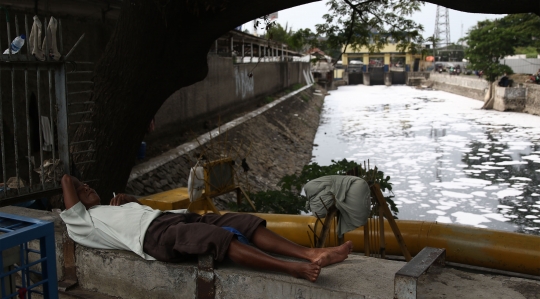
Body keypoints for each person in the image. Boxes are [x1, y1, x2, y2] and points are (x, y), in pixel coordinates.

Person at [59, 175, 353, 282]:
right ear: (74, 205)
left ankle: (310, 253)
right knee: (218, 239)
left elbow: (143, 211)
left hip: (173, 219)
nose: (87, 188)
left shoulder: (111, 208)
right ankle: (292, 269)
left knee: (241, 221)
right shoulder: (80, 223)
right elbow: (65, 179)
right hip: (156, 238)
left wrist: (130, 200)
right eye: (83, 190)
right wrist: (76, 187)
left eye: (89, 186)